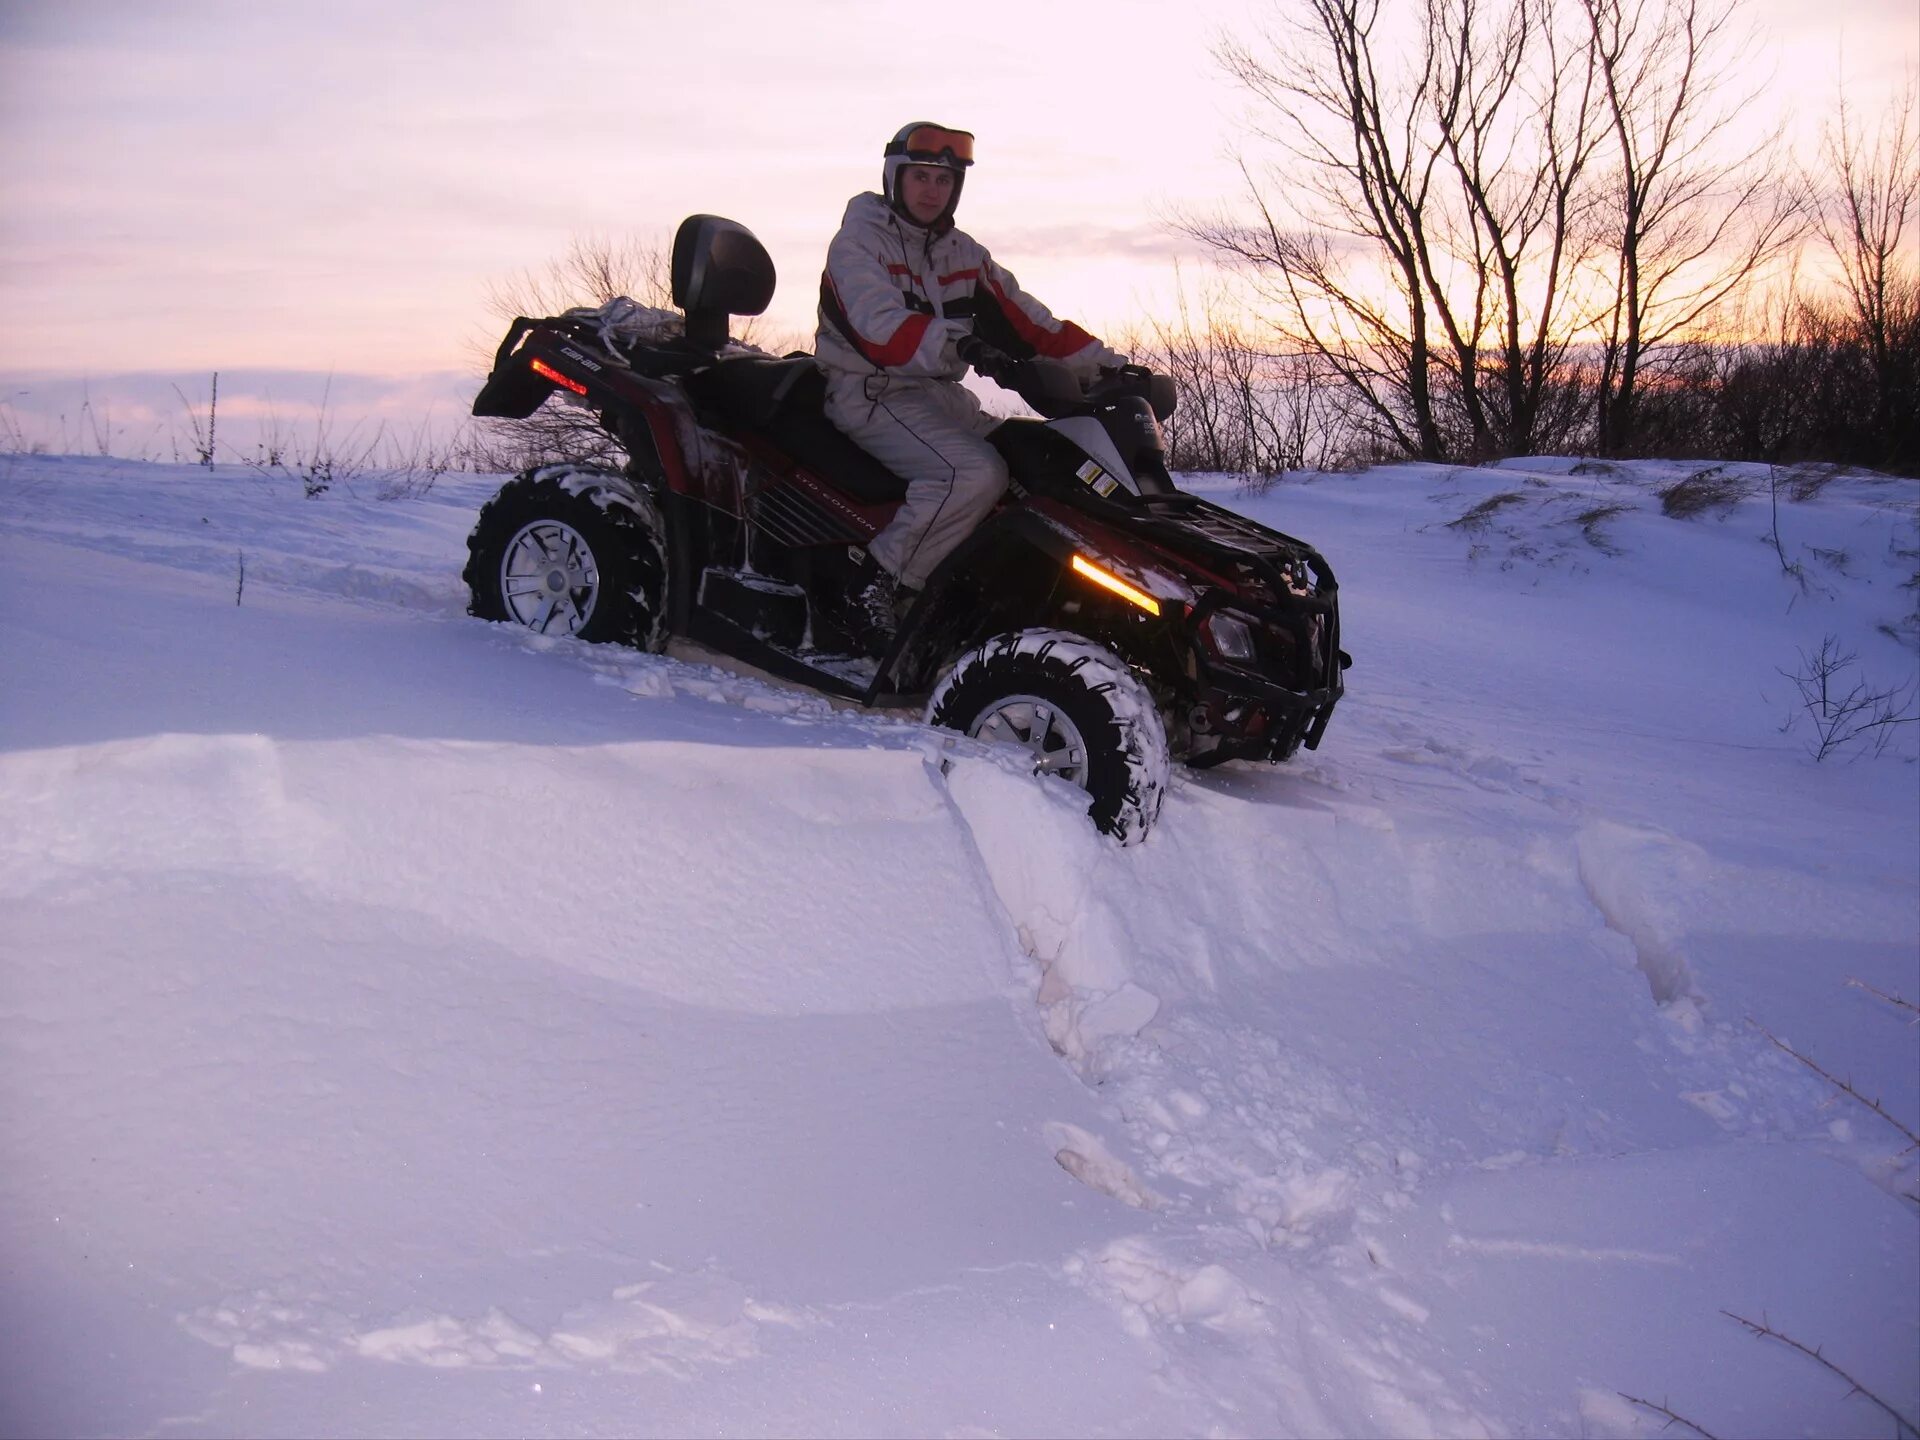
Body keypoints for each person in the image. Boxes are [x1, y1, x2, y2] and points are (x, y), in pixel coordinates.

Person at [815, 121, 1127, 652]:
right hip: (870, 391)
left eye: (944, 180)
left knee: (1031, 458)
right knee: (973, 473)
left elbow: (1031, 324)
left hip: (938, 395)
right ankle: (874, 587)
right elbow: (879, 328)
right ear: (895, 178)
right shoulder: (858, 243)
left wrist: (1111, 369)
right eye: (920, 177)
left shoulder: (962, 253)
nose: (932, 190)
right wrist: (962, 346)